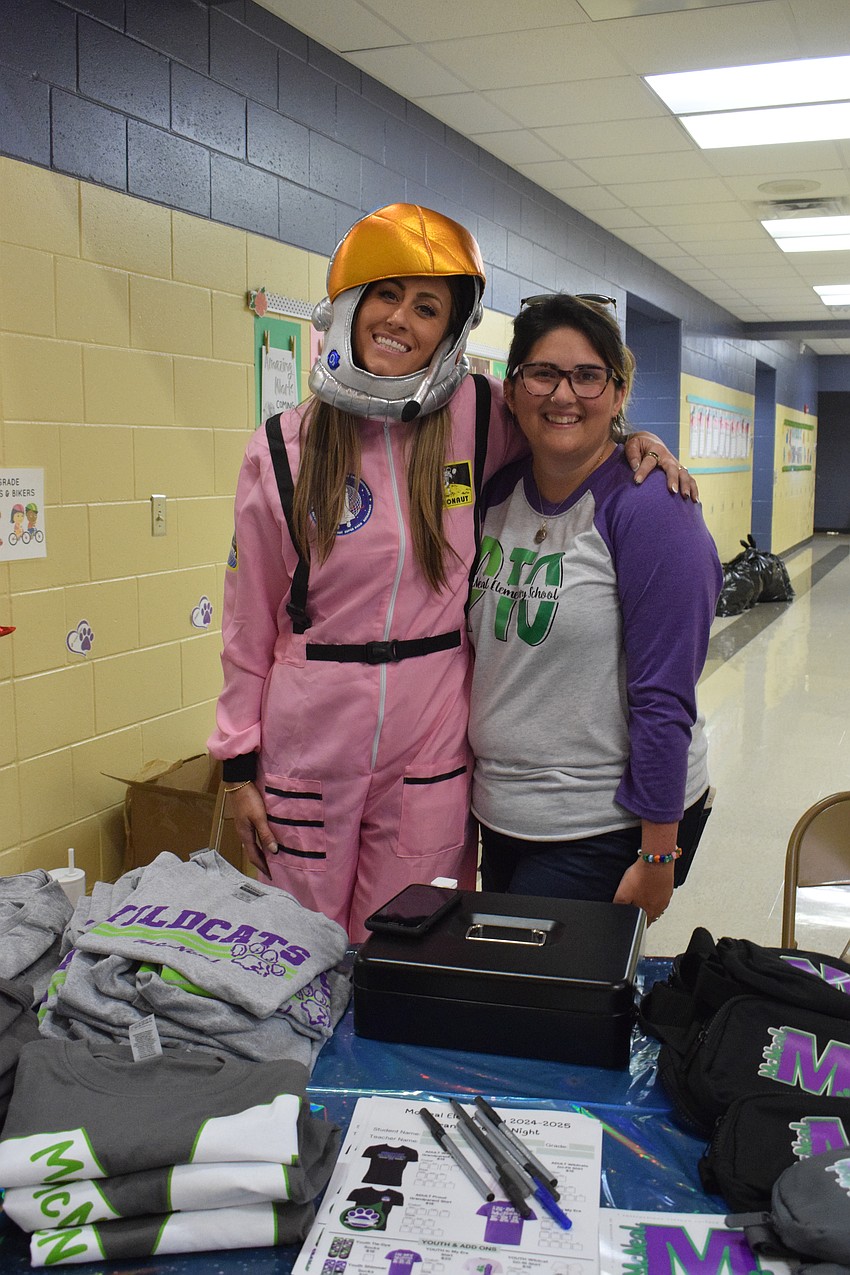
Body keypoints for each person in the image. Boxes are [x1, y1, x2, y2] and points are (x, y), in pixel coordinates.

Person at [208, 204, 694, 941]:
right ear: (349, 302)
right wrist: (237, 766)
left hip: (430, 745)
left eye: (427, 306)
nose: (401, 318)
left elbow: (563, 421)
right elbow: (247, 619)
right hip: (310, 741)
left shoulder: (477, 415)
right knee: (296, 949)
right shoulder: (282, 448)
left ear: (451, 330)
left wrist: (640, 442)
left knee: (411, 948)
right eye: (386, 293)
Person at [467, 294, 722, 925]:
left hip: (603, 821)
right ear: (513, 385)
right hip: (504, 809)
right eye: (543, 373)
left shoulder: (653, 511)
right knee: (515, 1004)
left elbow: (665, 696)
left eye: (588, 376)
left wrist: (659, 853)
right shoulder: (495, 493)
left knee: (528, 1007)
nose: (563, 395)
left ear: (619, 389)